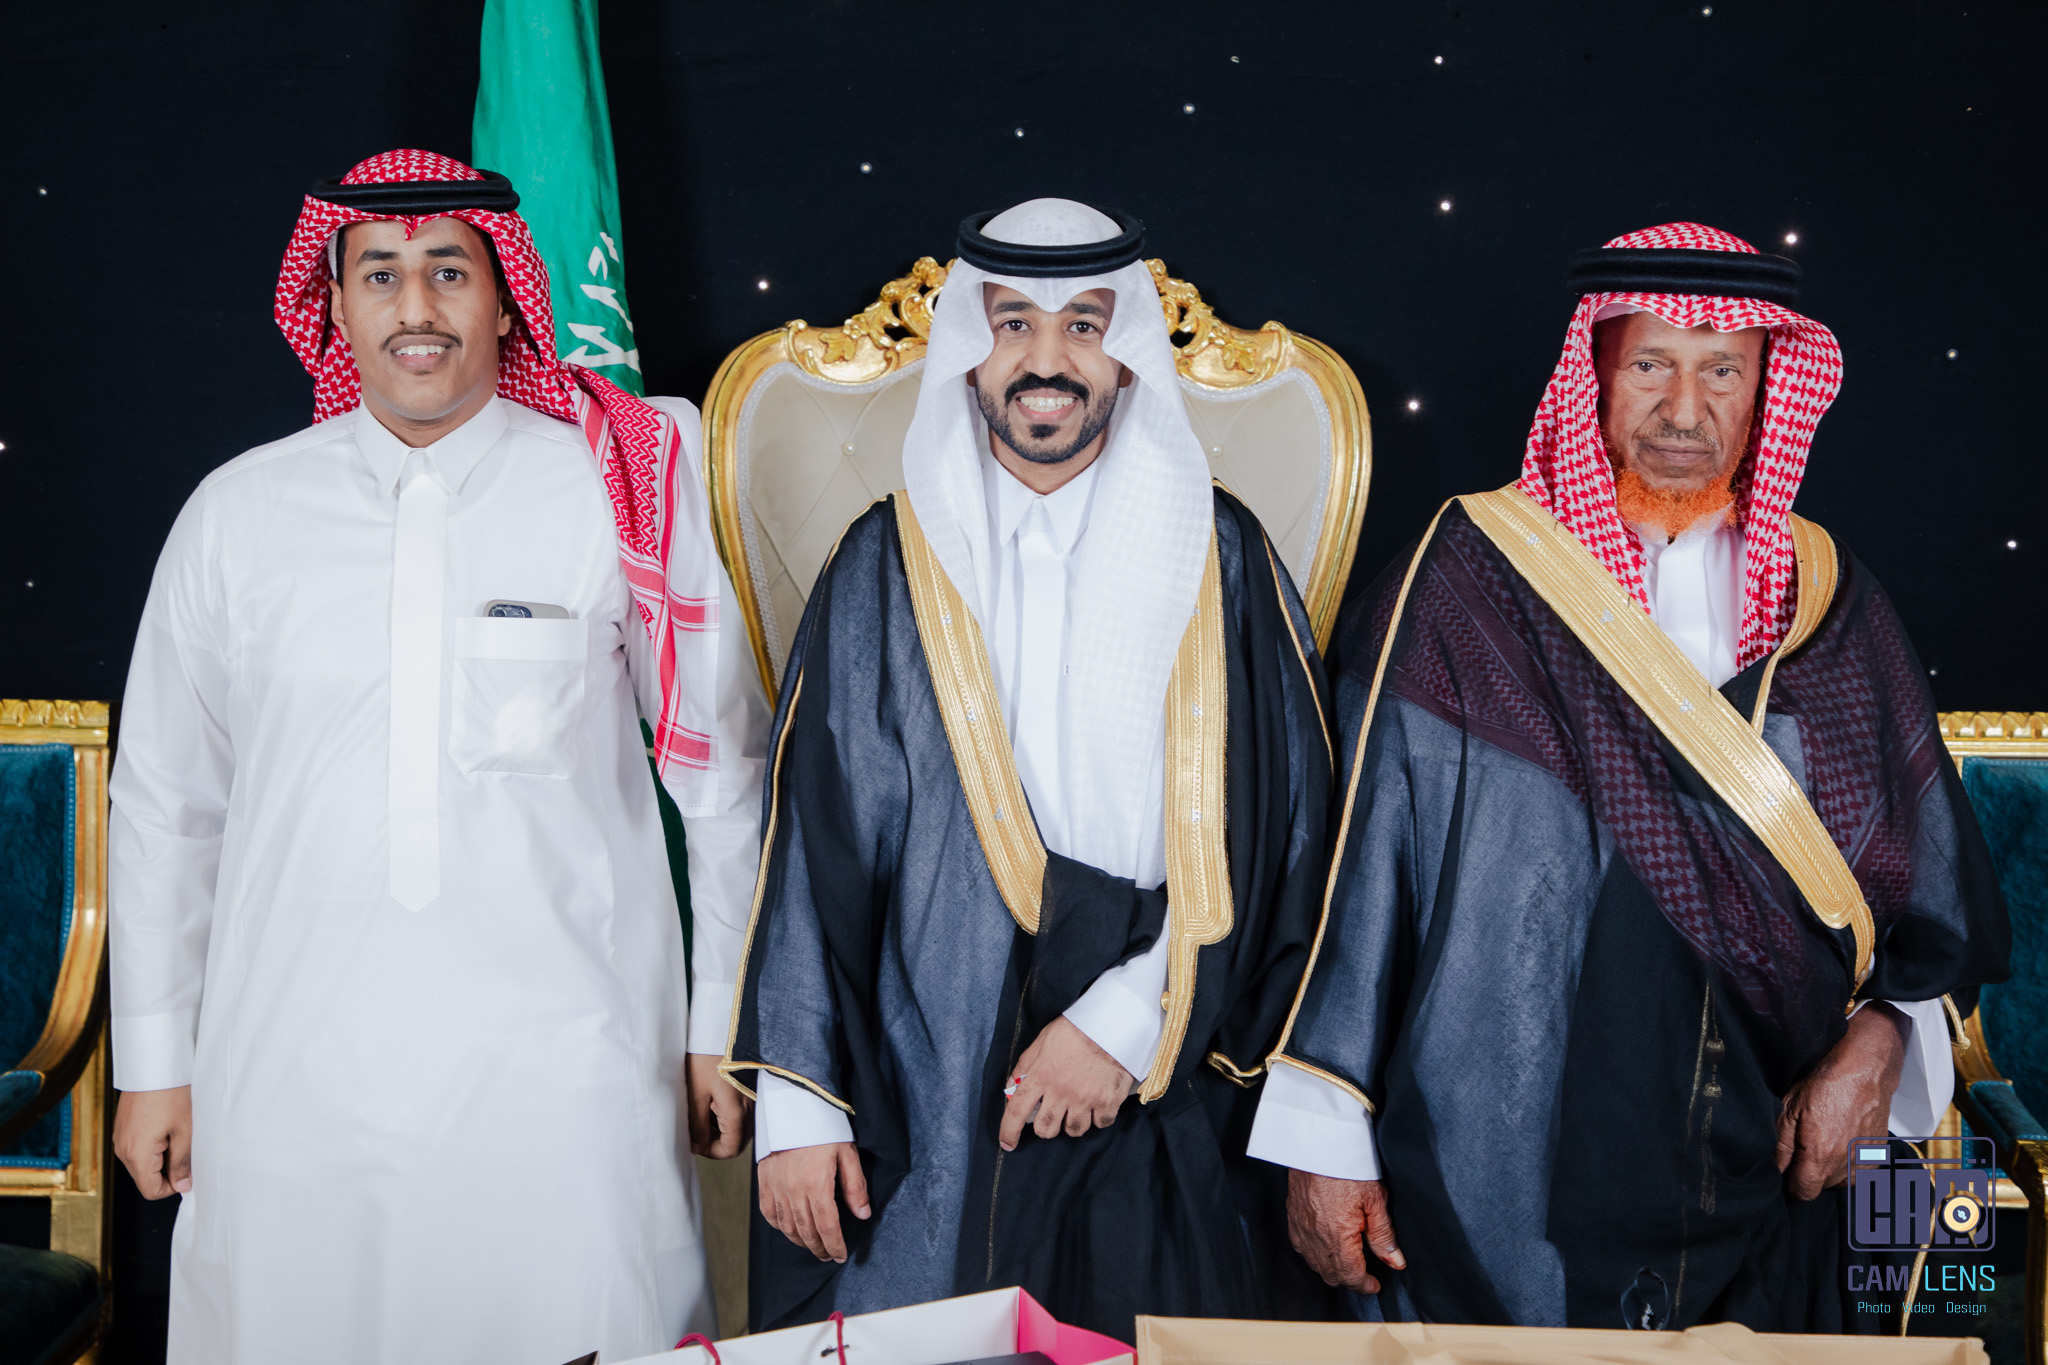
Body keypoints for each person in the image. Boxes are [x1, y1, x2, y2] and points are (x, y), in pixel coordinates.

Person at [1254, 222, 2009, 1331]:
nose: (1684, 410)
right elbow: (1351, 877)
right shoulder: (1468, 582)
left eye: (1722, 371)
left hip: (1774, 1164)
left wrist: (1887, 1039)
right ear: (1594, 373)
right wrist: (1322, 1142)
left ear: (1768, 387)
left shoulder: (1829, 602)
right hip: (1504, 1161)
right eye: (1651, 363)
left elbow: (1923, 900)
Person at [106, 150, 768, 1364]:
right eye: (379, 275)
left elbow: (722, 781)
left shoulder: (610, 492)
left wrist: (716, 1025)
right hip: (288, 1073)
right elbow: (165, 805)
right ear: (333, 304)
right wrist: (153, 1063)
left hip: (567, 1076)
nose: (415, 308)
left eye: (449, 272)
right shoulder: (236, 515)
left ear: (506, 299)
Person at [721, 199, 1340, 1338]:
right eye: (1013, 324)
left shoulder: (1224, 557)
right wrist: (800, 1109)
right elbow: (813, 837)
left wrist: (1126, 1022)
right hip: (928, 1058)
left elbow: (1288, 833)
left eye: (1083, 326)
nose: (1045, 361)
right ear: (970, 348)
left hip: (1165, 1058)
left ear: (1127, 354)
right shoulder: (884, 560)